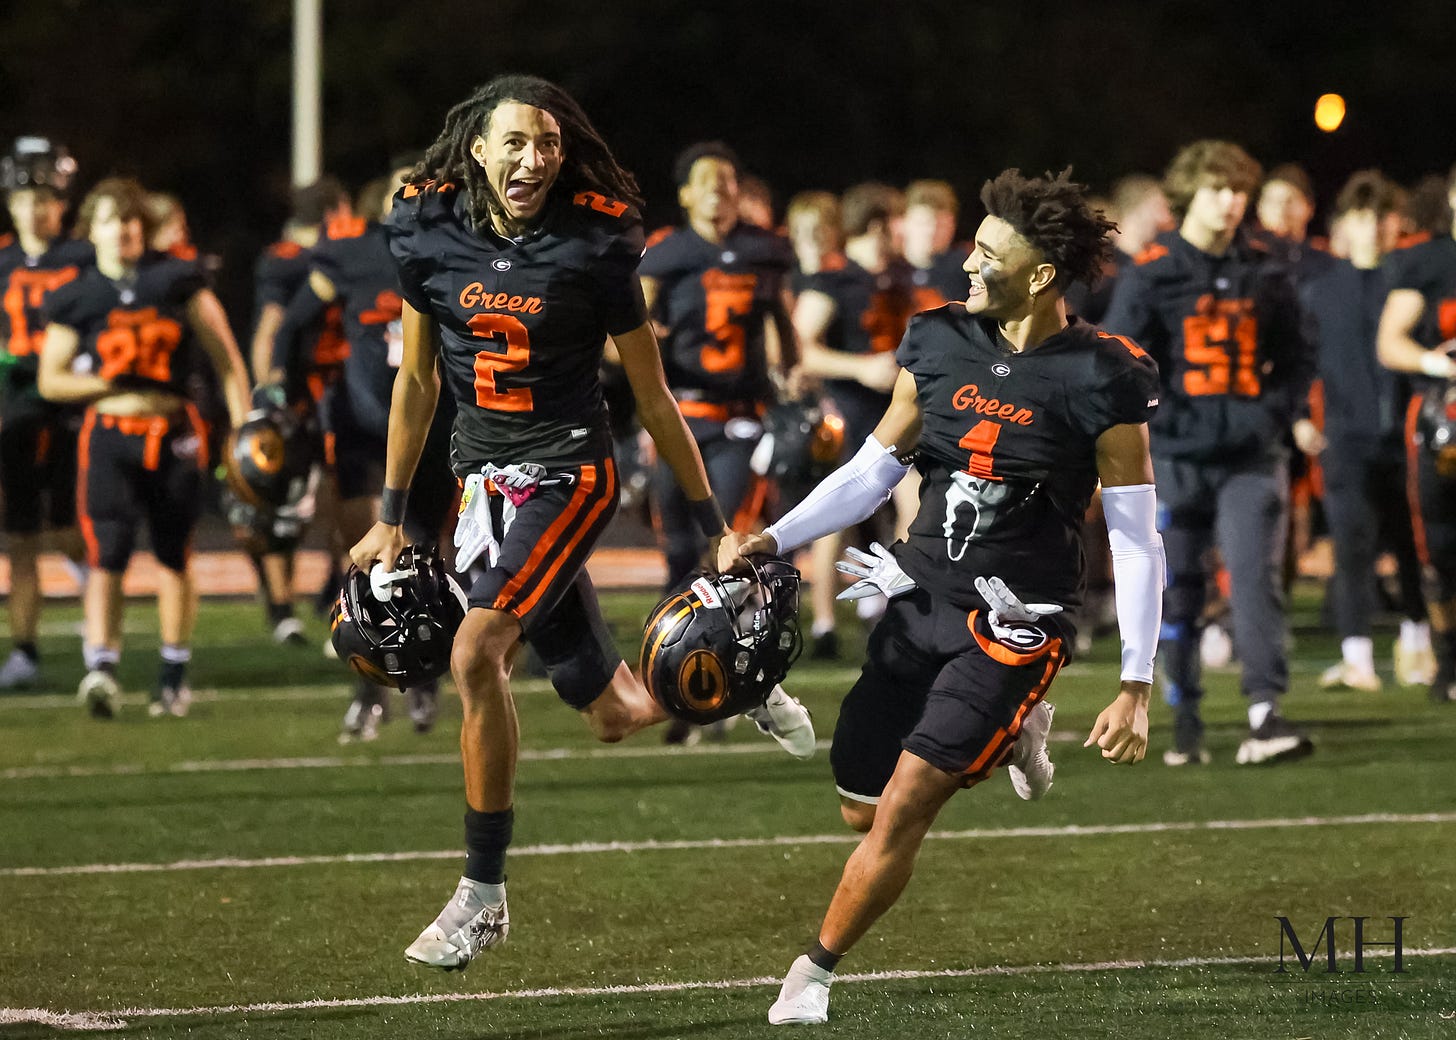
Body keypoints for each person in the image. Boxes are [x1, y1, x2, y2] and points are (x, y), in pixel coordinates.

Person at [347, 75, 814, 972]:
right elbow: (417, 381)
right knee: (612, 712)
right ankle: (735, 681)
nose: (533, 159)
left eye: (548, 145)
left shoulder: (595, 243)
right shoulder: (425, 227)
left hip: (569, 472)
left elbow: (651, 392)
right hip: (483, 487)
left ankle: (481, 897)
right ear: (477, 149)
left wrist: (715, 522)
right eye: (515, 142)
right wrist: (392, 517)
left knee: (475, 650)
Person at [724, 168, 1163, 1026]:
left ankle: (812, 972)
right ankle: (1010, 737)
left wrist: (1136, 684)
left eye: (986, 252)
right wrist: (775, 536)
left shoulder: (1103, 376)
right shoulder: (937, 341)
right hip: (917, 596)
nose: (967, 262)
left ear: (1040, 275)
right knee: (861, 804)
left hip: (1014, 622)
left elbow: (1136, 535)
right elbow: (870, 471)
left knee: (907, 805)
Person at [1103, 140, 1319, 766]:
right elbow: (1123, 360)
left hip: (1252, 455)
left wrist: (1274, 413)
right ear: (1188, 194)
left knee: (1255, 579)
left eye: (1237, 190)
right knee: (1179, 589)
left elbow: (1300, 354)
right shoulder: (1152, 269)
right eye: (1216, 189)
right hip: (1174, 456)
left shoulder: (1266, 265)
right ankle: (1186, 717)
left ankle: (1265, 713)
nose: (1229, 203)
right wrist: (1162, 420)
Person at [37, 177, 250, 717]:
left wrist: (244, 426)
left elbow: (226, 359)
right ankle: (101, 666)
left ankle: (173, 670)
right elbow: (51, 379)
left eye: (132, 221)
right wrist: (114, 384)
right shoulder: (76, 293)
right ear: (92, 229)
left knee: (173, 554)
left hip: (172, 433)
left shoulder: (176, 279)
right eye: (112, 220)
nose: (124, 230)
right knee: (105, 555)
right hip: (110, 434)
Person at [271, 164, 457, 739]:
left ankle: (422, 683)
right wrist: (285, 393)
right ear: (383, 201)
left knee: (426, 559)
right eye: (406, 188)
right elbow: (293, 325)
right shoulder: (353, 254)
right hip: (362, 429)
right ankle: (370, 688)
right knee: (367, 563)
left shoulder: (459, 253)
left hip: (433, 426)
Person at [639, 141, 795, 590]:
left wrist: (792, 370)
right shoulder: (666, 252)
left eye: (726, 181)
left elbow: (783, 324)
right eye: (705, 182)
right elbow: (633, 331)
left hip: (739, 414)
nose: (717, 190)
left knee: (728, 534)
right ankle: (674, 640)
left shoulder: (763, 248)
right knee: (676, 543)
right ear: (685, 194)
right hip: (678, 412)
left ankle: (722, 638)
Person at [1303, 172, 1432, 692]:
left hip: (1409, 437)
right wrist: (1299, 421)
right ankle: (1356, 657)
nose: (1373, 228)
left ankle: (1419, 641)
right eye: (1362, 217)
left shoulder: (1409, 281)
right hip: (1345, 440)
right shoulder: (1319, 290)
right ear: (1344, 225)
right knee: (1352, 545)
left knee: (1414, 546)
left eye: (1382, 217)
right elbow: (1301, 363)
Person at [794, 182, 915, 657]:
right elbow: (801, 350)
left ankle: (899, 610)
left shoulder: (902, 275)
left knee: (917, 506)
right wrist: (860, 367)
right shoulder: (835, 278)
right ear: (880, 223)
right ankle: (824, 624)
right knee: (835, 518)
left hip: (897, 413)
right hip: (845, 412)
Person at [0, 136, 92, 689]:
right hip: (15, 411)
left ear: (62, 202)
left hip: (72, 409)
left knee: (67, 529)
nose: (35, 207)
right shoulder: (3, 261)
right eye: (24, 197)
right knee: (20, 538)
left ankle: (98, 613)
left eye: (45, 197)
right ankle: (25, 649)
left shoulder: (83, 259)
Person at [1376, 162, 1456, 702]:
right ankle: (1449, 661)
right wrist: (1440, 364)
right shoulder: (1430, 260)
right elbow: (1391, 341)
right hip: (1443, 425)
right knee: (1443, 549)